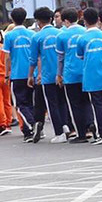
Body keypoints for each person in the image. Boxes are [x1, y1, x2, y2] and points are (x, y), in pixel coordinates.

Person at [76, 7, 102, 145]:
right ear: (99, 19)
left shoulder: (82, 38)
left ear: (84, 21)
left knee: (97, 104)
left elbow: (80, 56)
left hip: (91, 76)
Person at [29, 8, 70, 143]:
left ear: (38, 21)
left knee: (52, 105)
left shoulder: (37, 37)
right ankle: (65, 127)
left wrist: (31, 75)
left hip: (47, 76)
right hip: (62, 74)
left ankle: (59, 133)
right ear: (51, 18)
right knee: (62, 102)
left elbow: (33, 59)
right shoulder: (61, 33)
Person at [55, 8, 90, 143]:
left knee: (75, 105)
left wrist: (59, 74)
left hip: (70, 73)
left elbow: (60, 58)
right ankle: (90, 126)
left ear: (66, 21)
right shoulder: (85, 32)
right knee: (87, 101)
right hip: (85, 72)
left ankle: (81, 133)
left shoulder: (62, 36)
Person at [3, 9, 38, 139]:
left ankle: (31, 126)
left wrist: (6, 74)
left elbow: (7, 57)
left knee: (20, 104)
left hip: (17, 74)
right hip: (32, 73)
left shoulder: (9, 36)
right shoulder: (32, 34)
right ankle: (32, 129)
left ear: (12, 19)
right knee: (31, 102)